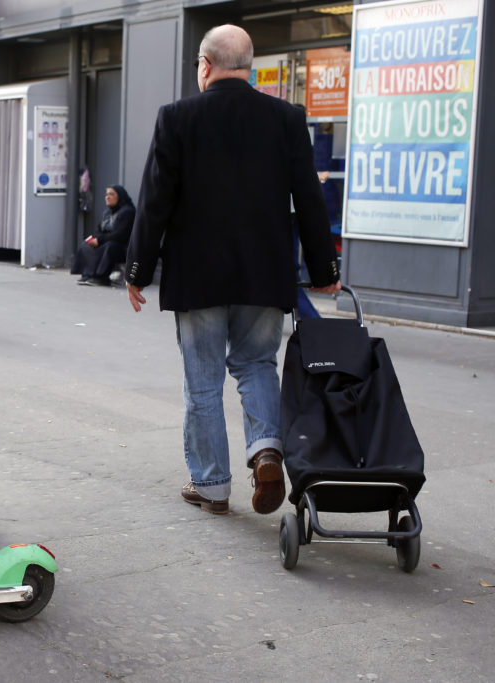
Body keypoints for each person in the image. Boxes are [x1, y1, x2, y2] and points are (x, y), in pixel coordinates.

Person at [124, 24, 340, 515]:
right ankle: (266, 448)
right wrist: (324, 267)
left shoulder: (177, 117)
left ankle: (212, 486)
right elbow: (308, 197)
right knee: (257, 364)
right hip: (264, 274)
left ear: (204, 65)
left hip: (197, 276)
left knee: (202, 381)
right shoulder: (286, 118)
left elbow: (155, 200)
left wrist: (137, 268)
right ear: (249, 66)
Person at [71, 185, 136, 286]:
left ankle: (101, 277)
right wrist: (95, 239)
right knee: (86, 245)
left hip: (123, 247)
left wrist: (100, 240)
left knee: (109, 246)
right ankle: (87, 274)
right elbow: (99, 230)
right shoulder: (107, 213)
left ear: (120, 196)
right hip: (107, 241)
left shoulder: (128, 212)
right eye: (106, 194)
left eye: (111, 194)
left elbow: (120, 235)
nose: (108, 197)